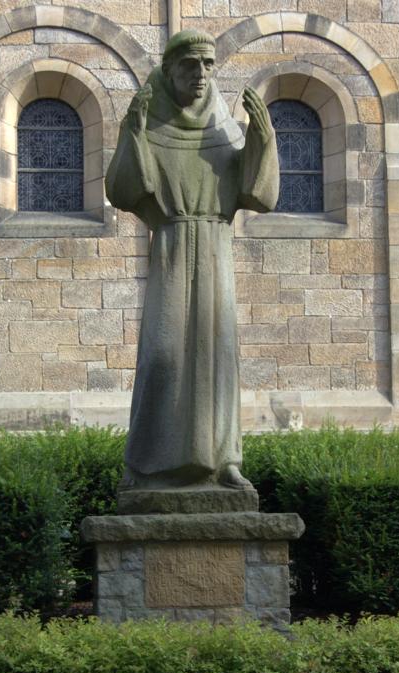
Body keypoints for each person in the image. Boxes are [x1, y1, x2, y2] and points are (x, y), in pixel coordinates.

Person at [105, 30, 279, 491]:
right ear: (169, 71)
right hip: (173, 252)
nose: (200, 74)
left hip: (216, 251)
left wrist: (262, 139)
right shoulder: (151, 124)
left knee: (218, 358)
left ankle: (224, 462)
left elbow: (258, 195)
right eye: (189, 65)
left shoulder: (223, 130)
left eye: (207, 64)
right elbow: (123, 190)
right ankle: (146, 468)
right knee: (164, 358)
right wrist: (136, 136)